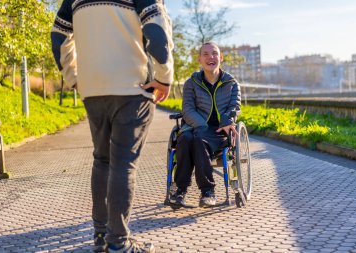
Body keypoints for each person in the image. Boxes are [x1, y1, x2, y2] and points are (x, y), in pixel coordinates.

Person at [51, 1, 173, 252]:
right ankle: (118, 242)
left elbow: (58, 35)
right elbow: (156, 29)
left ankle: (101, 236)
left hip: (92, 89)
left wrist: (74, 77)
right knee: (123, 163)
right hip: (132, 87)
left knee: (102, 160)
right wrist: (164, 76)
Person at [172, 42, 241, 208]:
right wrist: (201, 127)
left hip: (219, 131)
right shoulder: (191, 83)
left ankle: (207, 191)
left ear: (221, 58)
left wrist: (226, 121)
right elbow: (187, 109)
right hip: (195, 127)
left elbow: (234, 107)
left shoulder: (231, 83)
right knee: (184, 139)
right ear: (199, 60)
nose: (211, 57)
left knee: (198, 140)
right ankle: (180, 190)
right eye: (206, 54)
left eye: (215, 53)